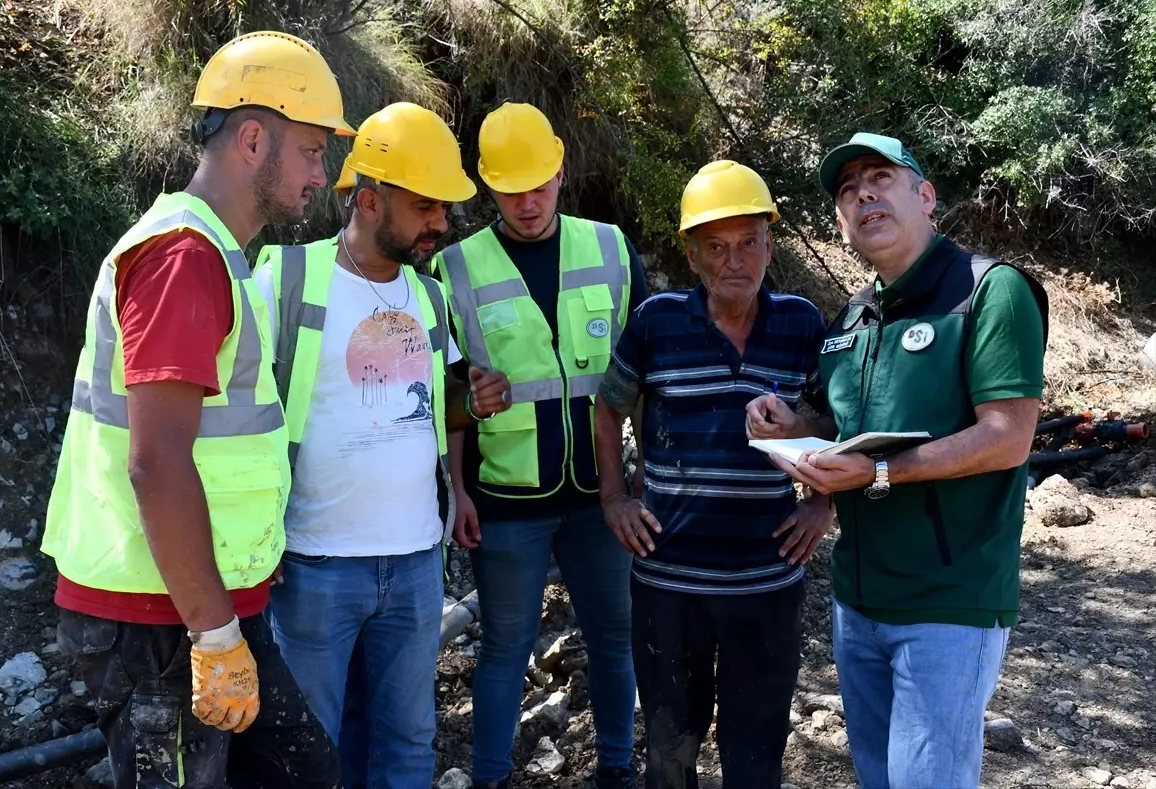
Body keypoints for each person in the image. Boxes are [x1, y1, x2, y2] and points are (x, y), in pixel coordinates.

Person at [41, 31, 355, 788]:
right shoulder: (185, 257)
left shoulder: (214, 254)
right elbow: (156, 461)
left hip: (195, 605)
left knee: (302, 771)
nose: (324, 174)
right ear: (254, 139)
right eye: (313, 151)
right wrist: (214, 632)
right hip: (162, 618)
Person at [764, 132, 1048, 789]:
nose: (863, 193)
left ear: (926, 197)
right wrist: (788, 425)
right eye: (847, 189)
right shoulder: (850, 320)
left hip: (949, 603)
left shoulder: (989, 291)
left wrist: (881, 472)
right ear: (840, 224)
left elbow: (1009, 435)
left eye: (880, 178)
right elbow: (832, 423)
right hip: (858, 602)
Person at [251, 102, 510, 789]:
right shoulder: (285, 281)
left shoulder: (428, 297)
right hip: (313, 566)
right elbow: (235, 420)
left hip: (416, 561)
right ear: (368, 199)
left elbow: (432, 406)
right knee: (309, 754)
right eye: (426, 206)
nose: (441, 223)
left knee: (406, 747)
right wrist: (251, 538)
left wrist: (470, 409)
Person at [595, 160, 835, 789]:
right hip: (669, 584)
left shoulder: (803, 324)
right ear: (692, 256)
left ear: (770, 243)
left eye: (749, 242)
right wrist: (615, 498)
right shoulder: (656, 323)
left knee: (756, 751)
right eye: (717, 247)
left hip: (767, 581)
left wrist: (821, 505)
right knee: (671, 752)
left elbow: (840, 424)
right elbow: (607, 407)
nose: (736, 261)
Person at [432, 102, 649, 789]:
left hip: (601, 499)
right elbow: (441, 397)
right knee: (503, 648)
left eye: (538, 184)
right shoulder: (453, 269)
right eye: (509, 189)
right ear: (486, 186)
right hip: (506, 503)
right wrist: (457, 491)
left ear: (561, 168)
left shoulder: (611, 249)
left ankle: (616, 768)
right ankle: (491, 776)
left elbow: (650, 370)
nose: (527, 203)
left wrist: (655, 480)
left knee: (614, 641)